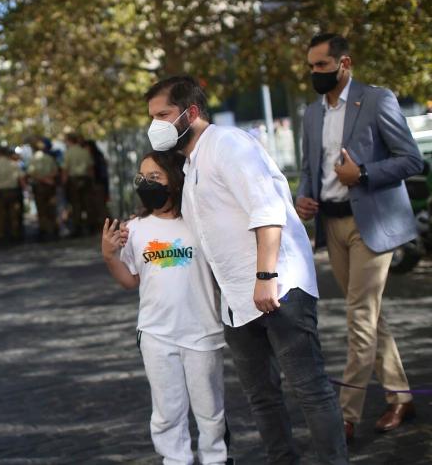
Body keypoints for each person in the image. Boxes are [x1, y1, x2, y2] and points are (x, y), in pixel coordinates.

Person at [142, 76, 348, 463]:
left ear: (191, 113)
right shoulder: (191, 167)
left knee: (310, 389)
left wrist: (266, 277)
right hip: (237, 303)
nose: (156, 124)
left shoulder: (228, 144)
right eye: (152, 116)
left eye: (163, 114)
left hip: (278, 290)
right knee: (262, 398)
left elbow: (266, 210)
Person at [295, 33, 423, 441]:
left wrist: (363, 174)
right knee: (369, 314)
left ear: (343, 63)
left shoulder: (376, 99)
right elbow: (306, 167)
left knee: (359, 317)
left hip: (372, 223)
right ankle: (400, 396)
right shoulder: (311, 114)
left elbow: (411, 160)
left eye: (321, 66)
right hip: (331, 225)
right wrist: (304, 196)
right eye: (310, 67)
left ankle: (344, 417)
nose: (314, 73)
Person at [103, 151, 229, 465]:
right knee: (166, 412)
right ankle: (175, 459)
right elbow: (131, 281)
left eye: (155, 177)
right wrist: (108, 256)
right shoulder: (135, 229)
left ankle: (217, 458)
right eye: (142, 178)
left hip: (203, 331)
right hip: (156, 334)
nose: (146, 184)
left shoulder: (199, 220)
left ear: (175, 179)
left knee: (210, 410)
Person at [0, 146, 24, 246]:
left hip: (1, 193)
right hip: (14, 192)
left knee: (1, 216)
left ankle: (2, 237)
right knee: (14, 215)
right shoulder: (14, 164)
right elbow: (21, 180)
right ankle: (15, 235)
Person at [62, 133, 94, 237]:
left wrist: (64, 182)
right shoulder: (84, 151)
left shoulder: (68, 153)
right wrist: (91, 181)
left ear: (69, 141)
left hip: (73, 180)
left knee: (76, 205)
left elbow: (65, 169)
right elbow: (90, 168)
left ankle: (77, 228)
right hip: (85, 179)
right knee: (87, 203)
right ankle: (90, 226)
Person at [27, 139, 59, 241]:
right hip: (50, 186)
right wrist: (48, 179)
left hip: (40, 186)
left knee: (42, 210)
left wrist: (43, 179)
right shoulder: (49, 158)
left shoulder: (33, 159)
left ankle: (44, 231)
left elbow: (32, 174)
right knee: (51, 208)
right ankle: (53, 230)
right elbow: (55, 172)